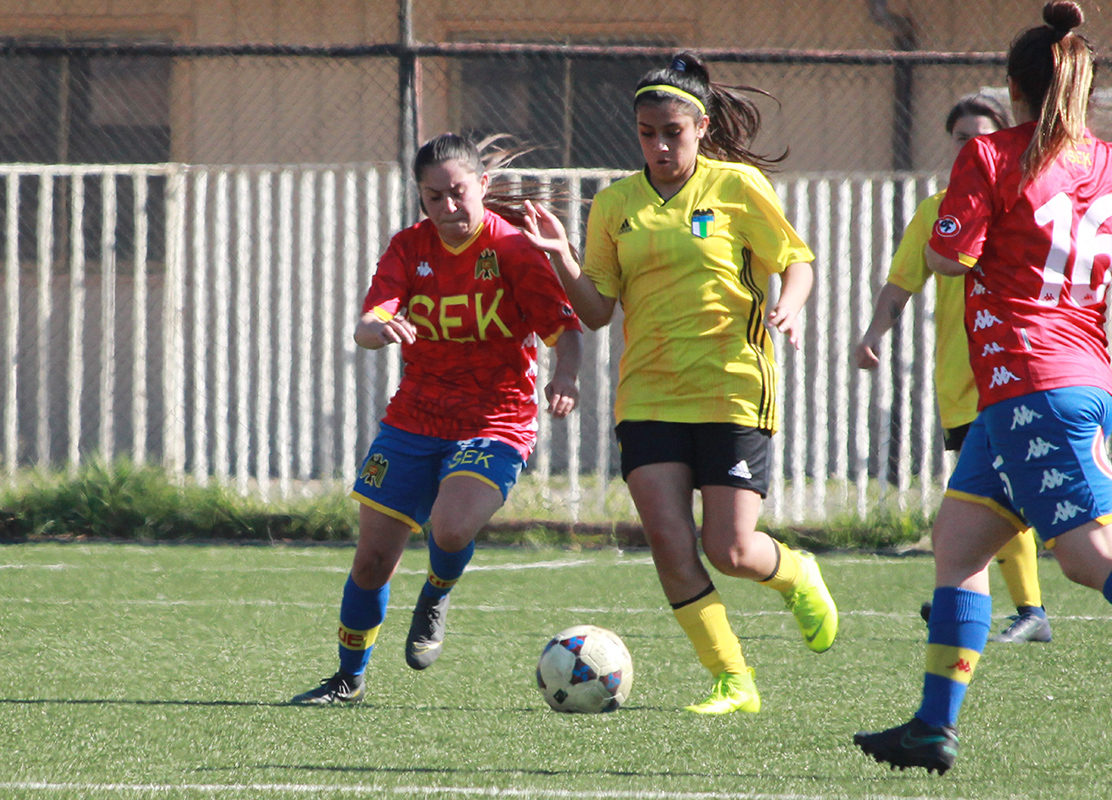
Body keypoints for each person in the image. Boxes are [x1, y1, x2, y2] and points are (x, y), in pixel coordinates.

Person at [854, 1, 1112, 774]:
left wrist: (963, 230)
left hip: (1028, 384)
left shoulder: (990, 156)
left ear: (1012, 88)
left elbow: (949, 259)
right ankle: (931, 728)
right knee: (960, 543)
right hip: (1065, 380)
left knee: (1091, 554)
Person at [521, 51, 838, 715]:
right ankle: (733, 681)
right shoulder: (615, 204)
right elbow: (599, 311)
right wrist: (561, 259)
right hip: (649, 395)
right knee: (668, 540)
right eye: (646, 133)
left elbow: (797, 260)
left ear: (699, 126)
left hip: (732, 386)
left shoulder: (738, 188)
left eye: (672, 131)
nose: (660, 145)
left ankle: (796, 572)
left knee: (731, 548)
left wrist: (792, 304)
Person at [290, 133, 583, 704]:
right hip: (415, 417)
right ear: (420, 199)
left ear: (483, 187)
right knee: (373, 561)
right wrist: (380, 330)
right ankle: (348, 678)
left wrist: (566, 375)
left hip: (495, 419)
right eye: (434, 198)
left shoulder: (515, 251)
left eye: (458, 194)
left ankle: (438, 588)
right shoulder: (408, 248)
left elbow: (563, 327)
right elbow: (368, 324)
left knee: (449, 527)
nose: (448, 209)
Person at [856, 95, 1053, 645]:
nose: (972, 146)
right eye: (962, 137)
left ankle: (1023, 609)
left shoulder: (1023, 203)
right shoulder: (936, 211)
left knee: (993, 496)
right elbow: (902, 284)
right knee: (990, 496)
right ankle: (980, 602)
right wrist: (873, 334)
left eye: (982, 135)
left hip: (1011, 374)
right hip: (960, 380)